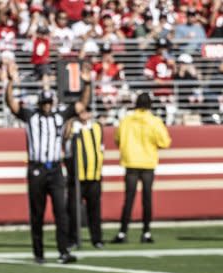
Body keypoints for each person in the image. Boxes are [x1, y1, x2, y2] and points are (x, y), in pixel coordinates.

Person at [5, 60, 91, 264]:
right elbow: (12, 104)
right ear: (39, 104)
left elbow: (81, 105)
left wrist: (87, 84)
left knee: (61, 211)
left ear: (51, 103)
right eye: (43, 104)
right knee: (37, 212)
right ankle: (39, 252)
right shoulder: (31, 117)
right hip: (37, 168)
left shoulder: (59, 117)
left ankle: (63, 251)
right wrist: (9, 83)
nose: (46, 106)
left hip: (55, 169)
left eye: (48, 103)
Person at [111, 92, 171, 244]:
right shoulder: (154, 121)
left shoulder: (126, 120)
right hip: (147, 163)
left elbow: (117, 139)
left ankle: (122, 232)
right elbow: (164, 142)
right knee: (147, 199)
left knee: (129, 199)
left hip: (130, 163)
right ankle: (146, 232)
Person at [63, 107, 104, 249]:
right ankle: (73, 239)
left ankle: (97, 239)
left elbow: (100, 148)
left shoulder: (97, 127)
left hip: (94, 175)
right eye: (82, 112)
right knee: (73, 210)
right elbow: (66, 146)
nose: (84, 115)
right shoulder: (73, 127)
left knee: (95, 209)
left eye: (87, 111)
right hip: (77, 177)